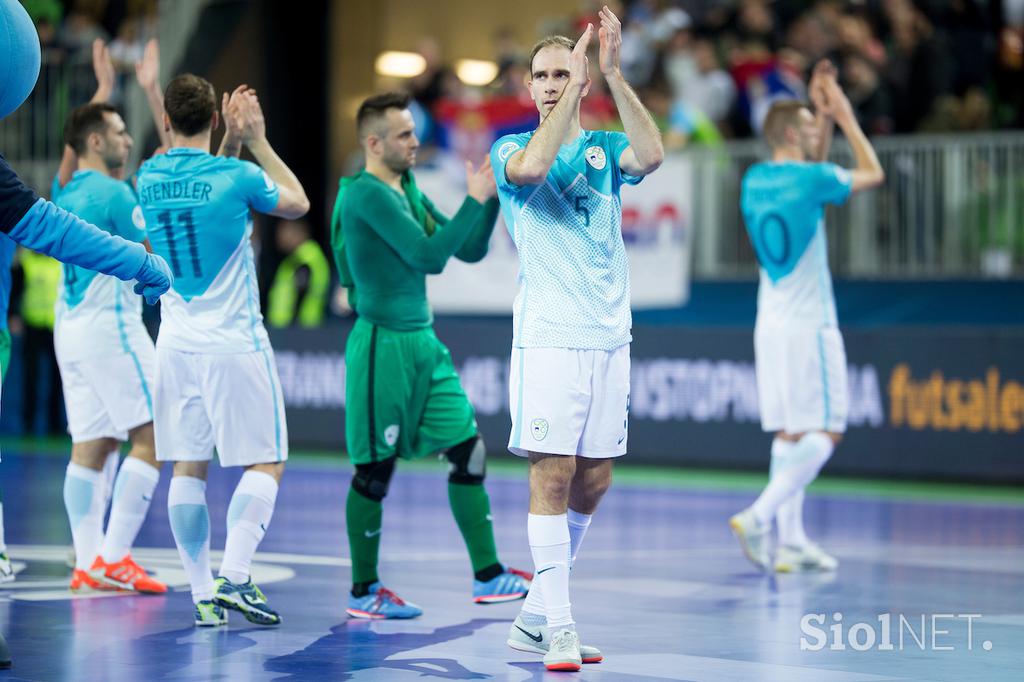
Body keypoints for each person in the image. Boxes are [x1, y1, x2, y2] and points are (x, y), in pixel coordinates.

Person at [489, 6, 664, 672]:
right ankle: (558, 626)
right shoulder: (510, 149)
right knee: (553, 475)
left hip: (609, 337)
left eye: (564, 72)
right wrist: (573, 97)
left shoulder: (606, 151)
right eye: (542, 75)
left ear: (580, 78)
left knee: (595, 481)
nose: (552, 83)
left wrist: (613, 77)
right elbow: (535, 168)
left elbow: (651, 153)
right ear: (529, 87)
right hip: (551, 338)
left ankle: (534, 617)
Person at [331, 91, 531, 620]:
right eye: (403, 134)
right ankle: (363, 590)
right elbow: (427, 256)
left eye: (414, 131)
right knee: (374, 471)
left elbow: (465, 247)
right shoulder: (364, 195)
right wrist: (473, 200)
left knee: (469, 452)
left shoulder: (405, 187)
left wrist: (485, 200)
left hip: (422, 341)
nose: (415, 142)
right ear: (373, 143)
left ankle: (489, 577)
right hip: (382, 346)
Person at [137, 74, 308, 627]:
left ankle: (201, 595)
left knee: (189, 464)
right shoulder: (238, 175)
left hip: (176, 343)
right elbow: (296, 203)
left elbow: (200, 182)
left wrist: (228, 143)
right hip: (234, 342)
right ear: (215, 120)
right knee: (268, 460)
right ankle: (235, 575)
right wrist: (254, 137)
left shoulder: (149, 174)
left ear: (165, 121)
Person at [729, 64, 885, 573]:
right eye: (812, 126)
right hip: (811, 324)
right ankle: (760, 515)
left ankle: (790, 542)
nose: (820, 133)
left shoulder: (756, 179)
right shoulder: (813, 178)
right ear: (793, 133)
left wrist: (823, 115)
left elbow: (814, 178)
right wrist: (844, 115)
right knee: (827, 431)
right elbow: (871, 173)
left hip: (768, 325)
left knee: (790, 434)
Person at [53, 101, 167, 594]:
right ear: (95, 142)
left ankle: (87, 561)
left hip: (70, 328)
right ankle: (115, 557)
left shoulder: (65, 191)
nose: (127, 140)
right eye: (120, 132)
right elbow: (152, 252)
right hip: (111, 325)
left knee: (92, 447)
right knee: (156, 435)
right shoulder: (117, 193)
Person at [266, 219, 329, 328]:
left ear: (298, 232)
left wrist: (294, 328)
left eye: (284, 231)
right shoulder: (296, 259)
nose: (279, 237)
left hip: (299, 330)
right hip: (291, 330)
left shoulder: (305, 261)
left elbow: (301, 295)